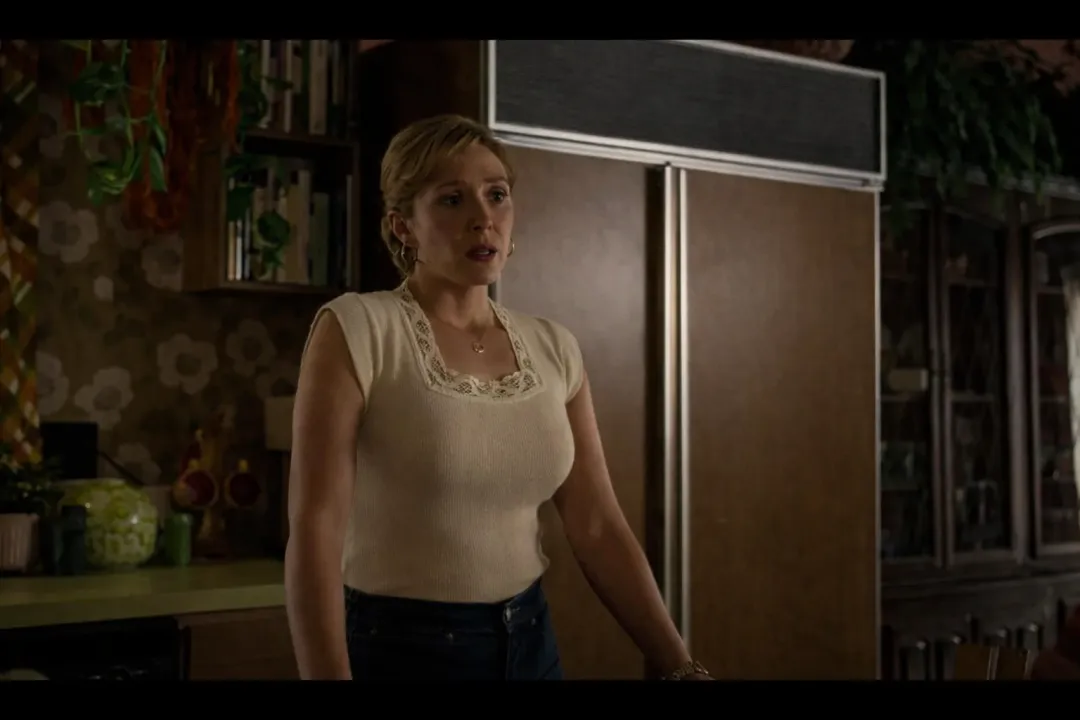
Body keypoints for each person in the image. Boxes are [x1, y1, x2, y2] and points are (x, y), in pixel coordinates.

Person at [284, 113, 711, 681]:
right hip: (400, 647)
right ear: (404, 226)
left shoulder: (554, 346)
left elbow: (596, 525)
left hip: (530, 640)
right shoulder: (359, 329)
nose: (483, 218)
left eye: (497, 195)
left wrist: (680, 667)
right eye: (452, 199)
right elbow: (315, 530)